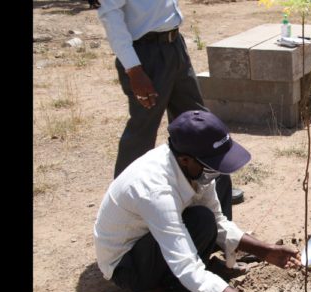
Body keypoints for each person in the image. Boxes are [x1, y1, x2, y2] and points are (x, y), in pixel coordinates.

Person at [94, 110, 304, 292]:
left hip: (155, 240)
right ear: (185, 159)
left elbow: (218, 220)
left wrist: (265, 251)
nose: (213, 172)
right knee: (200, 221)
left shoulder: (191, 166)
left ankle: (192, 279)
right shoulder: (155, 190)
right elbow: (186, 266)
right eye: (210, 165)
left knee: (212, 202)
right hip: (128, 264)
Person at [96, 0, 240, 221]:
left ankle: (217, 214)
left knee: (200, 126)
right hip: (145, 55)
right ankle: (123, 209)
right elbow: (110, 14)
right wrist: (134, 69)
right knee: (141, 135)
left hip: (174, 46)